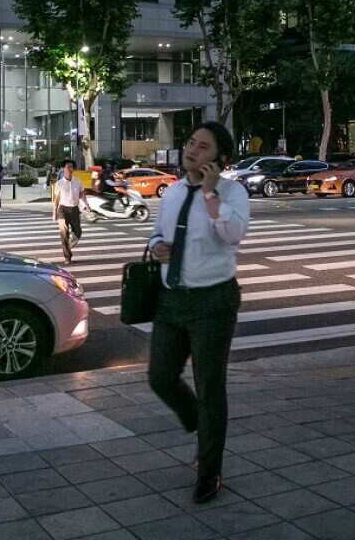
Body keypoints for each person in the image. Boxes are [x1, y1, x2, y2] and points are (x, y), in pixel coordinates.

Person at [147, 122, 250, 505]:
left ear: (219, 159)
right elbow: (157, 233)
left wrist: (210, 196)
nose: (192, 150)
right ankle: (197, 421)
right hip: (171, 299)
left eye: (202, 147)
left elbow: (233, 234)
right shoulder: (172, 192)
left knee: (210, 389)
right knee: (159, 376)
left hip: (213, 302)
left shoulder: (232, 192)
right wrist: (157, 246)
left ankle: (209, 472)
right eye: (190, 142)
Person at [51, 160, 90, 264]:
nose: (70, 169)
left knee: (78, 232)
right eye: (68, 167)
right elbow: (56, 199)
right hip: (63, 210)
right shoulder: (59, 183)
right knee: (64, 233)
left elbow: (82, 194)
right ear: (63, 169)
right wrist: (54, 212)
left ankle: (68, 245)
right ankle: (67, 257)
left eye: (71, 167)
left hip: (74, 209)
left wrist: (86, 204)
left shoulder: (78, 181)